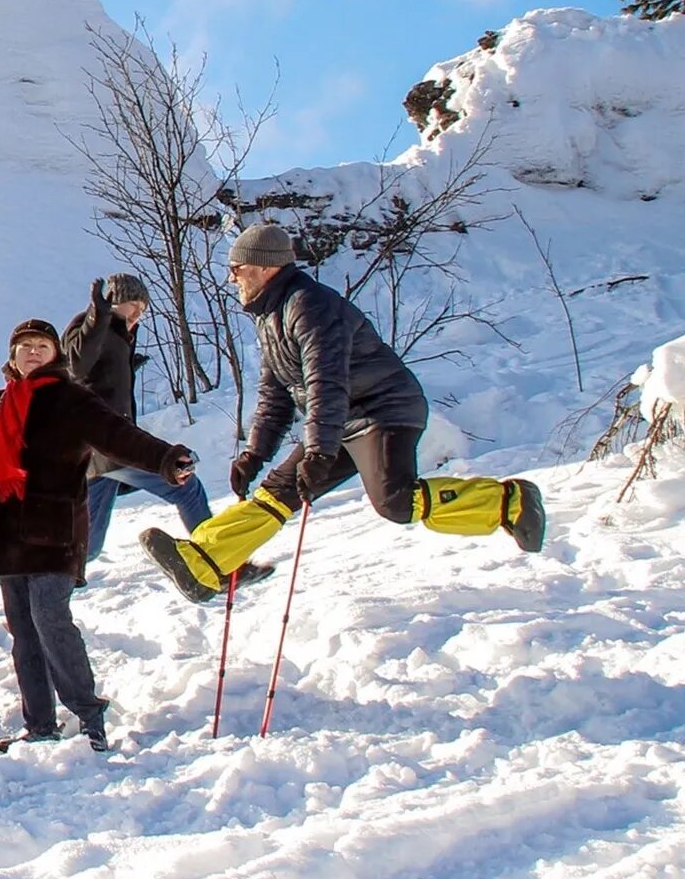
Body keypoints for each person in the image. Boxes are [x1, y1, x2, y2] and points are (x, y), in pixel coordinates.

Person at [141, 222, 549, 604]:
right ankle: (204, 562)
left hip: (382, 410)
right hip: (341, 419)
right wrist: (254, 455)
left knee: (395, 501)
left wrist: (318, 451)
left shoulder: (310, 305)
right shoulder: (271, 316)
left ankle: (509, 502)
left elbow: (326, 381)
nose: (232, 278)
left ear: (265, 267)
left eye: (237, 268)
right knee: (278, 491)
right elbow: (276, 395)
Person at [0, 321, 197, 750]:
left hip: (54, 532)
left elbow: (118, 435)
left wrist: (165, 458)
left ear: (55, 355)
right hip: (5, 535)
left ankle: (89, 718)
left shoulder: (71, 400)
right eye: (24, 346)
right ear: (12, 356)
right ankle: (40, 727)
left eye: (42, 345)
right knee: (24, 631)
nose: (33, 352)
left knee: (50, 620)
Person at [64, 274, 218, 566]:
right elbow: (74, 364)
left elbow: (95, 377)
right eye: (134, 305)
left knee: (88, 548)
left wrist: (124, 366)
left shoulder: (118, 336)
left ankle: (40, 588)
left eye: (144, 309)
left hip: (98, 457)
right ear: (114, 301)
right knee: (186, 486)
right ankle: (215, 560)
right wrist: (97, 315)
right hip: (109, 448)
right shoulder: (93, 324)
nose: (138, 314)